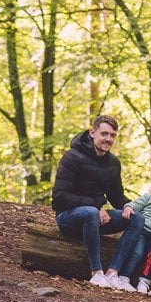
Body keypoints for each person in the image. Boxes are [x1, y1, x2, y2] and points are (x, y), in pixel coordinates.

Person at [51, 114, 133, 288]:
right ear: (92, 132)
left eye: (112, 135)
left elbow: (116, 196)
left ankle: (113, 273)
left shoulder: (113, 163)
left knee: (137, 218)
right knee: (90, 212)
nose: (108, 139)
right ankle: (96, 273)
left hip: (93, 217)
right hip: (68, 218)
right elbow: (59, 197)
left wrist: (129, 206)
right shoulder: (72, 157)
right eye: (104, 134)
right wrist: (95, 206)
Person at [97, 166, 151, 293]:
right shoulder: (149, 197)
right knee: (137, 253)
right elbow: (135, 204)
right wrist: (129, 207)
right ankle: (124, 278)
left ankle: (145, 282)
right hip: (141, 231)